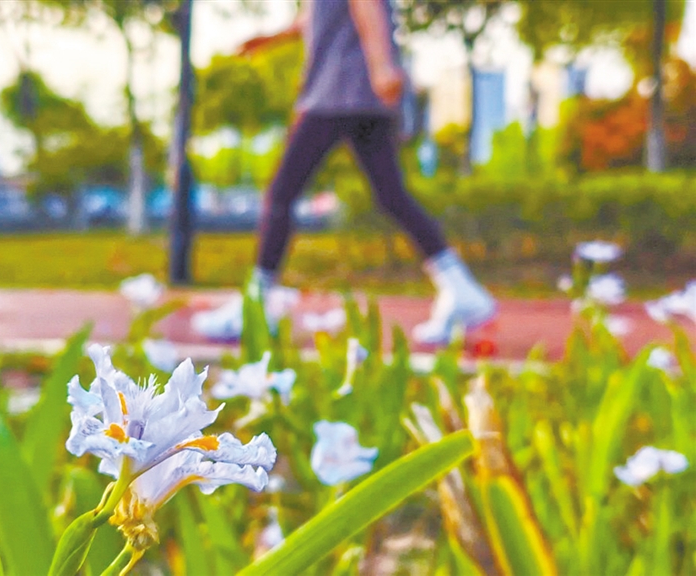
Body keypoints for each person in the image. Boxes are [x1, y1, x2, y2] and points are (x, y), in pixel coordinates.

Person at [192, 0, 496, 345]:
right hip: (356, 93)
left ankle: (255, 307)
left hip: (337, 92)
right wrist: (272, 38)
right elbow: (319, 15)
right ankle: (459, 286)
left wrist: (382, 65)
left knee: (281, 194)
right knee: (391, 196)